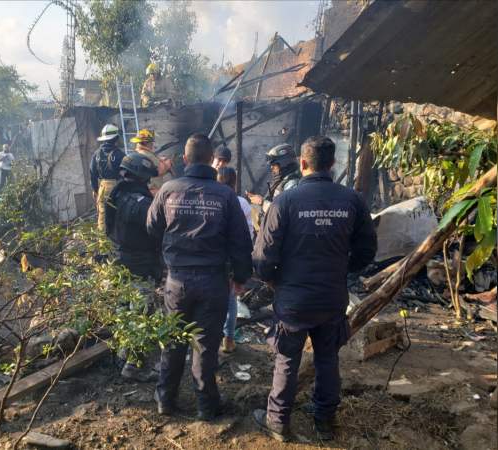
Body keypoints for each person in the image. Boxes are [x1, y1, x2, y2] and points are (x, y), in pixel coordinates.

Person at [251, 136, 377, 442]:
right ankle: (325, 421)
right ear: (332, 164)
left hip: (293, 299)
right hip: (331, 298)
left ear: (303, 163)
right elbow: (367, 251)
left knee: (287, 360)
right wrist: (341, 268)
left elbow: (263, 256)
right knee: (327, 359)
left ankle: (278, 421)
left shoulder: (285, 202)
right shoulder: (352, 201)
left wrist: (273, 280)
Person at [146, 133, 252, 421]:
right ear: (211, 161)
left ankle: (165, 401)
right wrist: (241, 276)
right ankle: (206, 406)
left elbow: (152, 228)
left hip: (177, 281)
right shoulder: (226, 195)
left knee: (174, 341)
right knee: (205, 345)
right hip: (213, 282)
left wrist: (166, 256)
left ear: (184, 158)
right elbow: (241, 241)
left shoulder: (168, 189)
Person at [104, 152, 162, 382]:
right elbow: (158, 230)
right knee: (142, 316)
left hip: (118, 261)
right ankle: (134, 366)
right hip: (139, 267)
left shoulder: (116, 194)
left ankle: (121, 355)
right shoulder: (141, 204)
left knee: (123, 311)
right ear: (141, 176)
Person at [216, 167, 253, 354]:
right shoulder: (242, 203)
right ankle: (228, 340)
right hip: (232, 259)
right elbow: (248, 234)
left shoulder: (212, 200)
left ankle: (208, 340)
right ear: (234, 182)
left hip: (214, 258)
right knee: (230, 302)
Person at [246, 143, 301, 218]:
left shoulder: (292, 184)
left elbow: (284, 213)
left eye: (274, 165)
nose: (271, 168)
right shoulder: (281, 181)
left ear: (284, 163)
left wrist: (262, 202)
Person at [90, 124, 126, 231]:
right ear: (116, 138)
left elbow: (92, 173)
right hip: (117, 186)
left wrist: (96, 190)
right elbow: (126, 173)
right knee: (119, 213)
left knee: (102, 215)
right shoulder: (120, 154)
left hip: (102, 187)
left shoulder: (96, 154)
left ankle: (103, 244)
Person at [130, 128, 173, 193]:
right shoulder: (148, 155)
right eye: (151, 142)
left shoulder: (136, 154)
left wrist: (159, 160)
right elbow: (160, 170)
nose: (152, 144)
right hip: (153, 191)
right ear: (146, 143)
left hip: (142, 190)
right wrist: (167, 163)